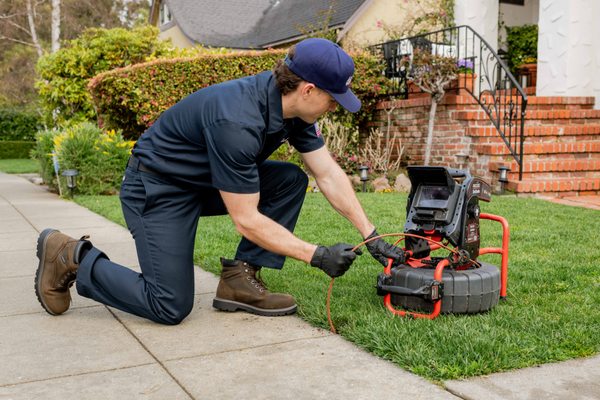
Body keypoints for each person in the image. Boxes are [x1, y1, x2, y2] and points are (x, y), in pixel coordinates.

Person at [34, 38, 404, 325]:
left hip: (202, 182)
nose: (336, 106)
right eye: (333, 98)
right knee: (169, 304)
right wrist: (317, 255)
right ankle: (72, 256)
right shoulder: (238, 121)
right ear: (307, 89)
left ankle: (239, 282)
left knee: (289, 178)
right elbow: (245, 218)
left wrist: (370, 234)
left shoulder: (292, 110)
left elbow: (326, 173)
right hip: (157, 189)